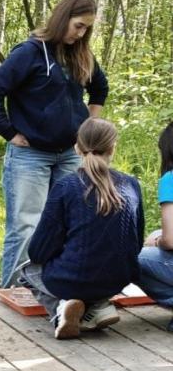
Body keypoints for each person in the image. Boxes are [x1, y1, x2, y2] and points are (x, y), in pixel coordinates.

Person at [0, 0, 110, 287]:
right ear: (63, 17)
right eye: (78, 26)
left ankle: (52, 289)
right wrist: (10, 133)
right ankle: (13, 291)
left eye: (87, 29)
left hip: (70, 154)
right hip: (31, 156)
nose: (81, 34)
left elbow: (100, 88)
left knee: (68, 223)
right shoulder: (29, 53)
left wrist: (89, 125)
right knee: (26, 225)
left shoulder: (81, 54)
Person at [20, 118, 144, 339]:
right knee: (93, 267)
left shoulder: (66, 186)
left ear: (77, 147)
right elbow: (137, 241)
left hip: (72, 279)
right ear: (113, 147)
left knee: (26, 271)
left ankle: (62, 311)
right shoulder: (131, 184)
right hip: (119, 278)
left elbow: (39, 250)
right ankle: (97, 307)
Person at [137, 121, 173, 332]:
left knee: (134, 257)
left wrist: (157, 242)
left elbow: (170, 240)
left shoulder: (170, 179)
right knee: (155, 234)